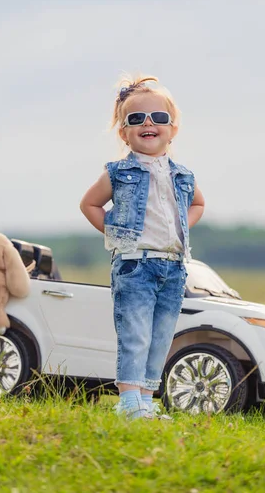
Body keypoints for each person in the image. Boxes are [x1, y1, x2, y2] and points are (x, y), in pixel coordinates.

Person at [80, 74, 205, 419]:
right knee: (134, 333)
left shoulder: (182, 175)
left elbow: (197, 205)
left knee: (161, 336)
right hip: (136, 264)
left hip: (174, 267)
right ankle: (128, 401)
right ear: (124, 132)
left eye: (158, 118)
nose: (148, 124)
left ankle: (147, 401)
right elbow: (89, 204)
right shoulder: (119, 172)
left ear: (172, 129)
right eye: (136, 119)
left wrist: (183, 229)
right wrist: (116, 232)